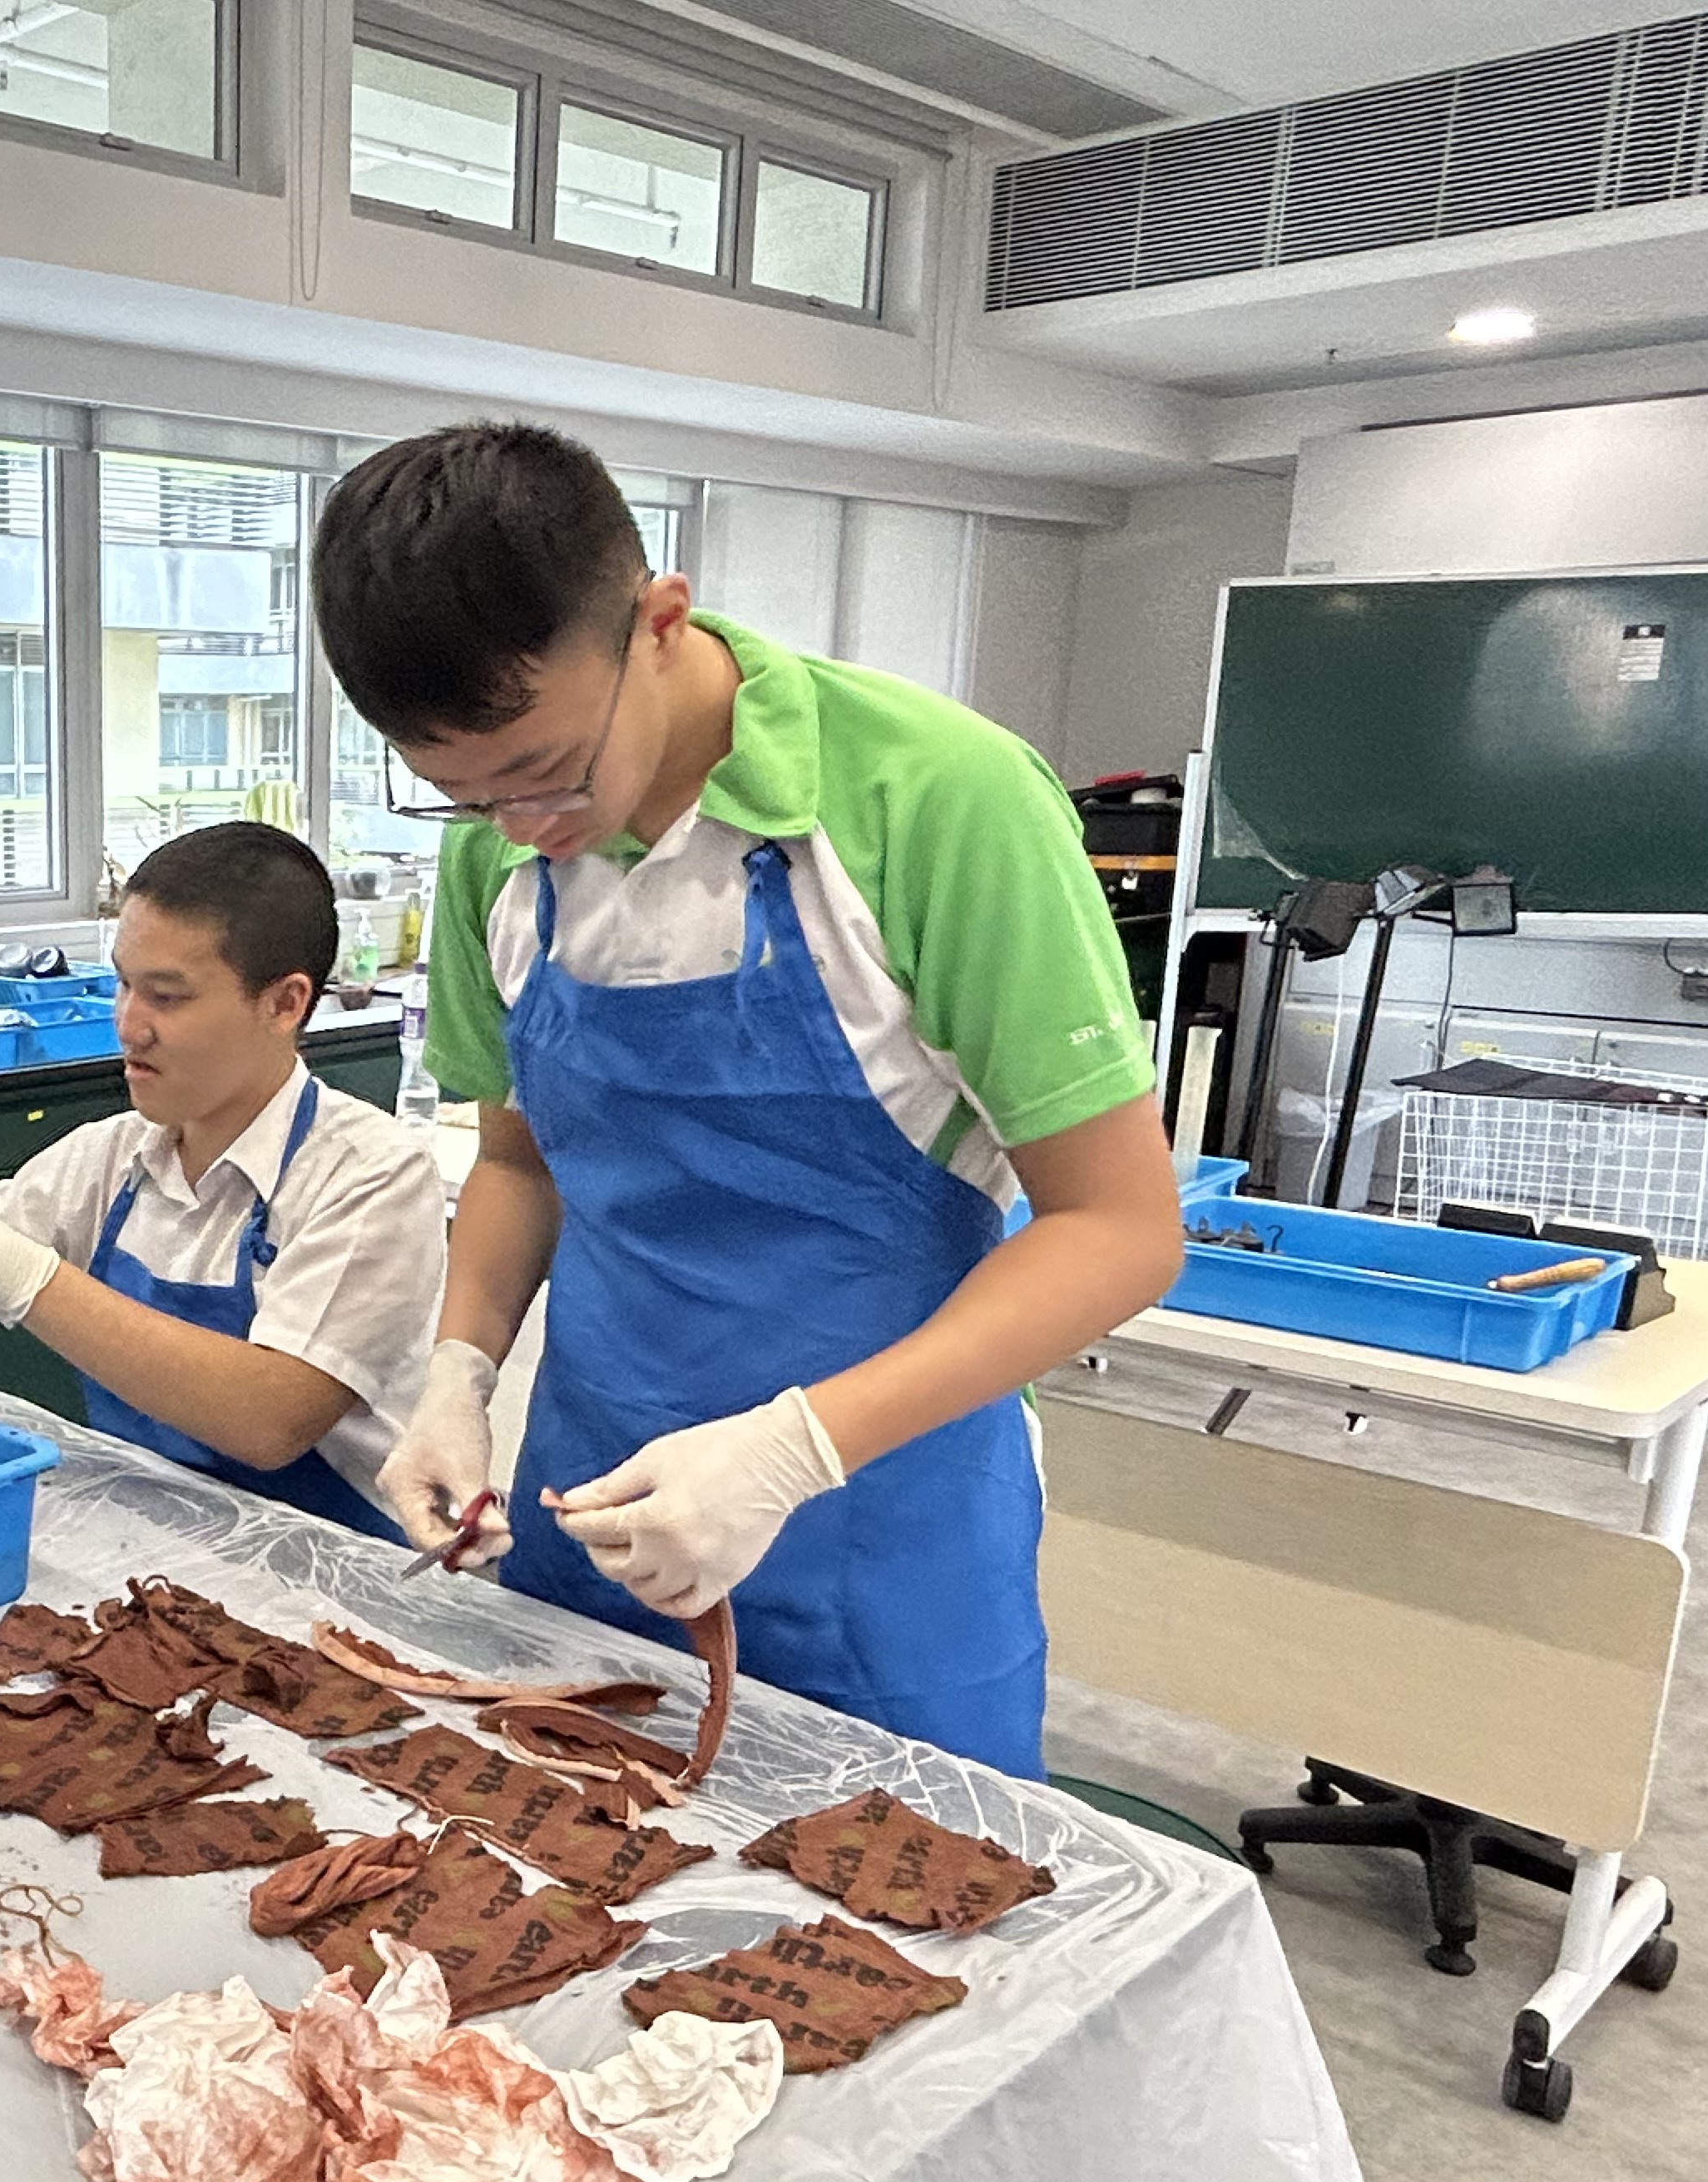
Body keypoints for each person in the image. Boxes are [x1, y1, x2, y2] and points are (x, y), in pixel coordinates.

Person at [316, 423, 1182, 1777]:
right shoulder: (504, 856)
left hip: (876, 1542)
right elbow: (519, 1164)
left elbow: (1120, 1227)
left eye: (545, 771)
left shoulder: (934, 801)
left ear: (659, 623)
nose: (519, 825)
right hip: (589, 1513)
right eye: (459, 798)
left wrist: (790, 1449)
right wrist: (457, 1375)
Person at [0, 820, 447, 1538]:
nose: (128, 1024)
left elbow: (270, 1420)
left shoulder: (369, 1175)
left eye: (167, 996)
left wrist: (22, 1275)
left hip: (331, 1559)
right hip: (158, 1533)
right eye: (123, 984)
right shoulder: (112, 1156)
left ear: (284, 1004)